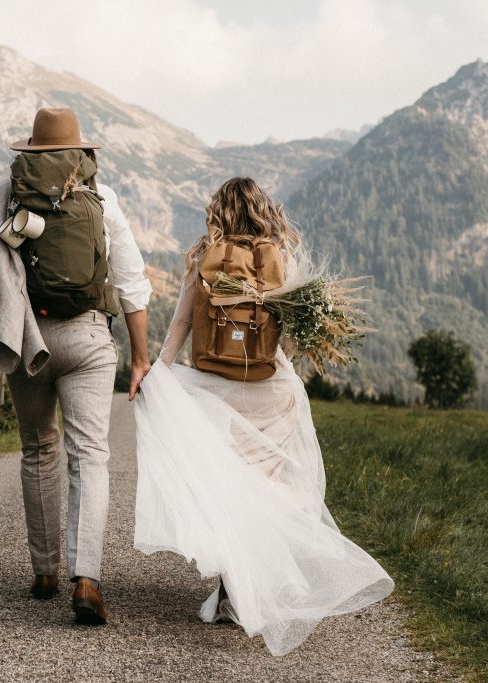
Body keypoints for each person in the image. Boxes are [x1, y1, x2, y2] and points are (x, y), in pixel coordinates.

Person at [133, 177, 393, 655]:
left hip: (215, 389)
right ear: (262, 210)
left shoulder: (204, 259)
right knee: (261, 490)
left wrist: (156, 376)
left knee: (228, 492)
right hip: (271, 392)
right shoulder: (278, 259)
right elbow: (288, 340)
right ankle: (247, 589)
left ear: (219, 212)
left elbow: (181, 326)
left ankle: (236, 588)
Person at [0, 108, 152, 625]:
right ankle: (86, 578)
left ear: (30, 148)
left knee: (38, 449)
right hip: (88, 339)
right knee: (90, 457)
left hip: (26, 335)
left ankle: (45, 571)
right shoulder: (101, 198)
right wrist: (142, 357)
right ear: (81, 149)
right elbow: (132, 283)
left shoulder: (3, 193)